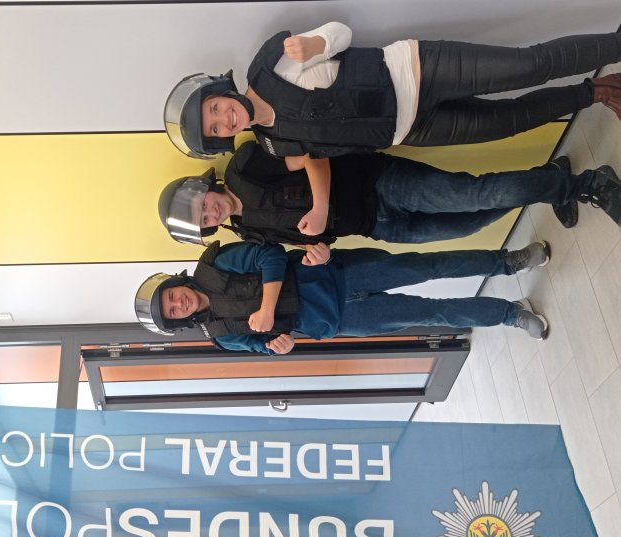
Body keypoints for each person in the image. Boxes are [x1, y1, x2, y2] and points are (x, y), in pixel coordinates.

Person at [164, 22, 621, 228]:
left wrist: (317, 41)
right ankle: (598, 92)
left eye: (215, 109)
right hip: (413, 130)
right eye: (217, 129)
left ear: (218, 91)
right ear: (222, 141)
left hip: (418, 70)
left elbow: (342, 34)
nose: (225, 119)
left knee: (530, 65)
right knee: (512, 121)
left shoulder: (271, 66)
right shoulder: (272, 143)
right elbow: (320, 158)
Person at [159, 141, 621, 250]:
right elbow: (310, 236)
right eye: (203, 221)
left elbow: (315, 157)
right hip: (378, 227)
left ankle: (587, 183)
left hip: (379, 183)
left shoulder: (243, 166)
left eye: (201, 206)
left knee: (474, 193)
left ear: (203, 189)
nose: (209, 213)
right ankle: (551, 181)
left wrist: (320, 208)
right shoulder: (247, 231)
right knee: (472, 221)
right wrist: (318, 250)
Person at [134, 240, 551, 355]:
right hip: (340, 320)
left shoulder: (214, 264)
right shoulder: (221, 335)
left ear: (174, 284)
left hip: (337, 275)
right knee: (435, 315)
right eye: (173, 312)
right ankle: (510, 315)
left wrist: (266, 307)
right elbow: (263, 345)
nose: (178, 304)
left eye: (171, 297)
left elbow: (270, 255)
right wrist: (279, 346)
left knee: (430, 266)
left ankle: (509, 262)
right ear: (179, 321)